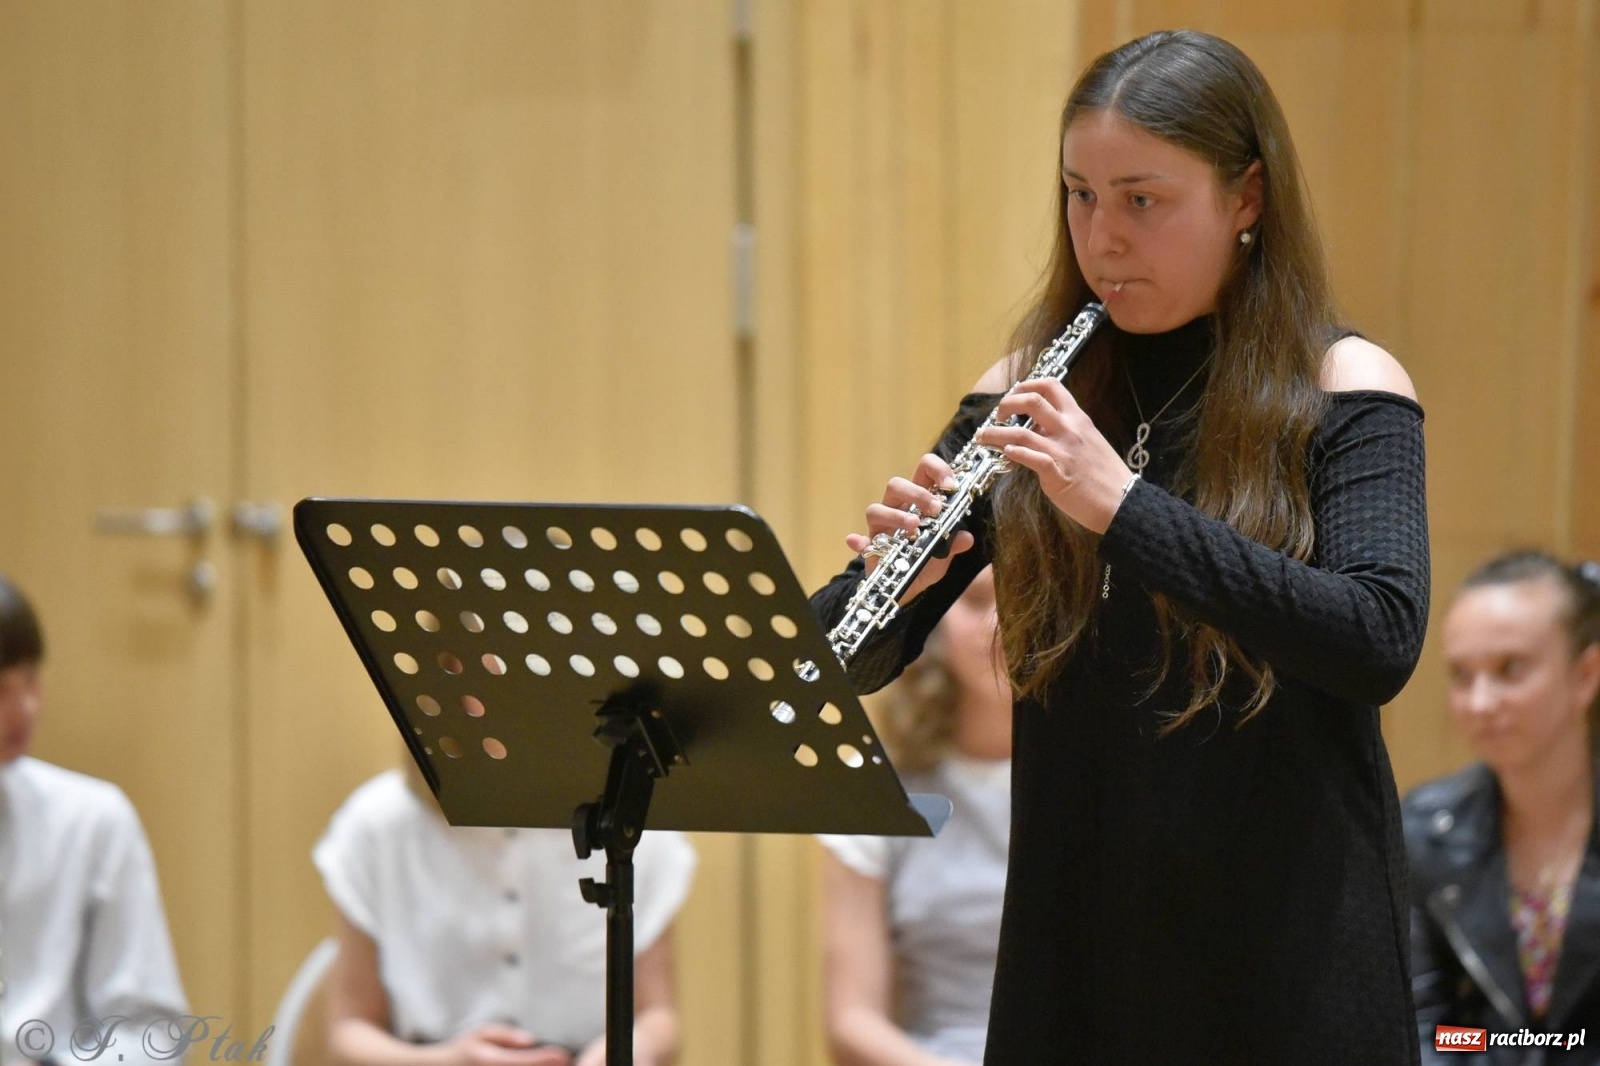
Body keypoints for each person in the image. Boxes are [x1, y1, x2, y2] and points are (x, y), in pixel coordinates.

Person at [811, 29, 1430, 1064]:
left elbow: (1377, 637)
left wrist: (1124, 505)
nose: (1102, 237)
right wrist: (884, 590)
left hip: (1282, 969)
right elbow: (853, 657)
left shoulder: (1347, 386)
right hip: (1078, 960)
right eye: (1079, 195)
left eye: (1142, 199)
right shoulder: (1027, 384)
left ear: (1246, 199)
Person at [314, 758, 696, 1066]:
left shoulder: (633, 825)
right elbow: (347, 1032)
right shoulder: (377, 824)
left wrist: (627, 1053)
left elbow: (658, 1017)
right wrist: (445, 1062)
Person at [1405, 551, 1600, 1063]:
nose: (1480, 702)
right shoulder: (1424, 830)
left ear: (1586, 675)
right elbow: (1430, 1032)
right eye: (1462, 676)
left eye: (1509, 669)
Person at [820, 566, 1011, 1066]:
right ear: (939, 621)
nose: (999, 623)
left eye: (1022, 599)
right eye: (974, 601)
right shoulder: (878, 791)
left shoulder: (1105, 779)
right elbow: (851, 1022)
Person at [0, 574, 189, 1066]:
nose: (26, 710)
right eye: (0, 690)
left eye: (32, 681)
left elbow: (154, 1033)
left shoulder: (91, 820)